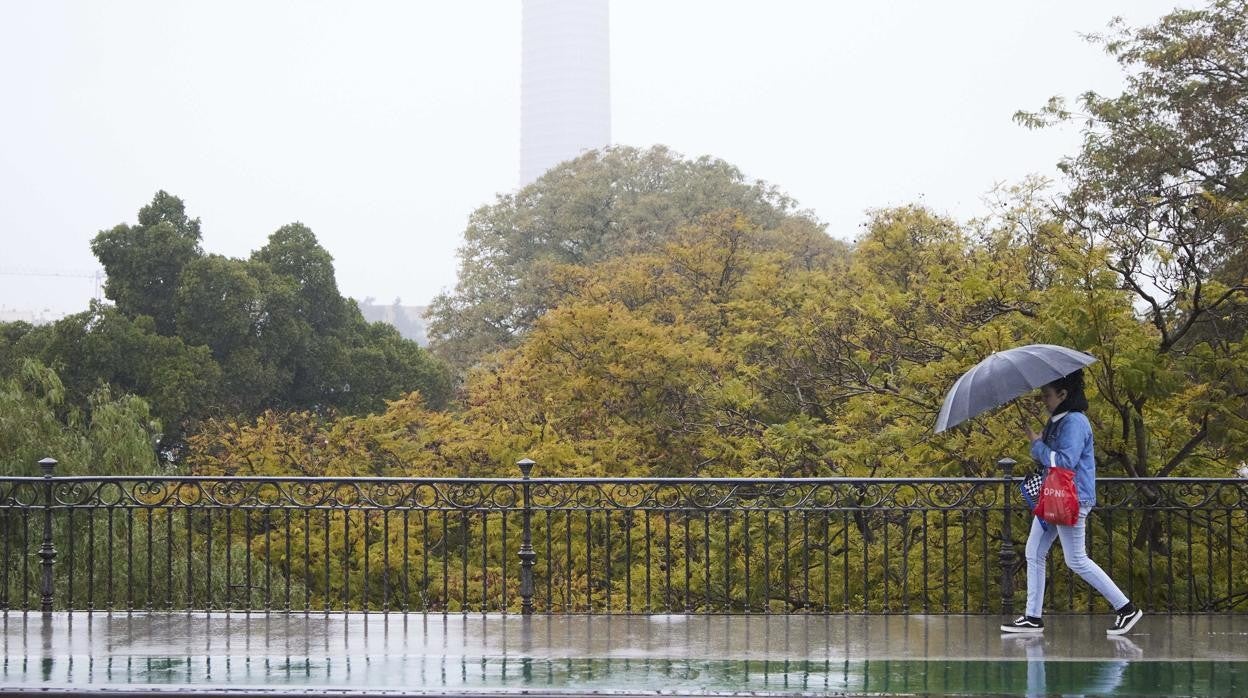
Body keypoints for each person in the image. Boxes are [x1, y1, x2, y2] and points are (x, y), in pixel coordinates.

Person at [1000, 368, 1144, 636]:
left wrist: (1037, 446)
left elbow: (1064, 461)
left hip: (1070, 499)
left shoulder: (1075, 422)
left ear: (1063, 394)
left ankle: (1126, 608)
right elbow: (1053, 458)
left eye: (1047, 394)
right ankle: (1032, 616)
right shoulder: (1059, 420)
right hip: (1055, 498)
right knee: (1034, 552)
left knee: (1076, 559)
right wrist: (1041, 443)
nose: (1043, 399)